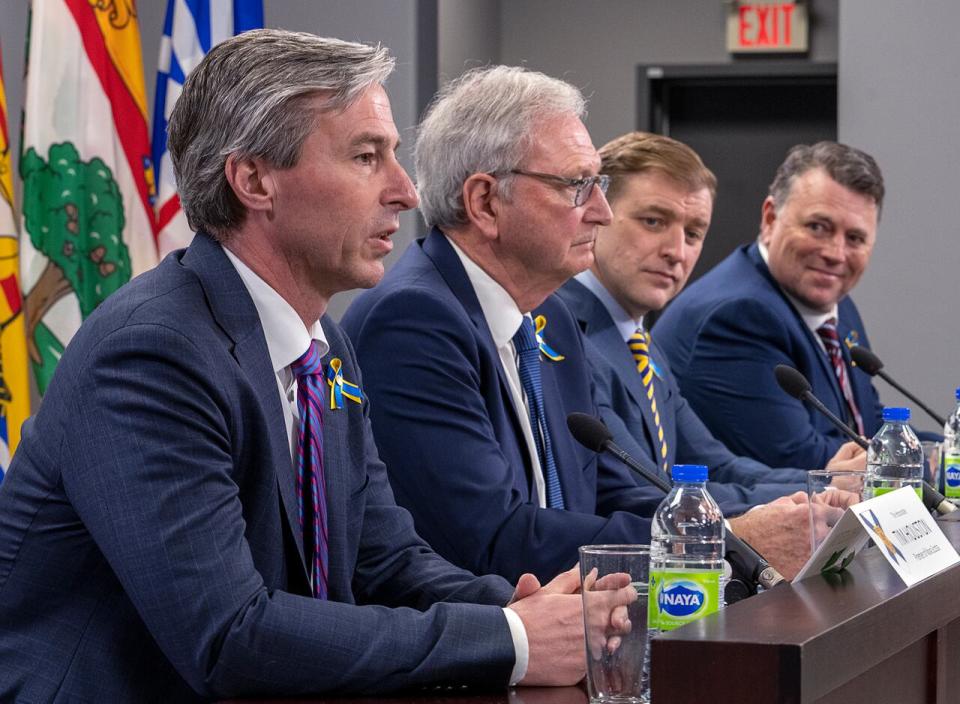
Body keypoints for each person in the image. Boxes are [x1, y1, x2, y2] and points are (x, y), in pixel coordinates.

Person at [0, 31, 624, 702]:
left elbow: (383, 557)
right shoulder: (153, 353)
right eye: (365, 156)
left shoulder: (320, 338)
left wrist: (522, 610)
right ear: (255, 180)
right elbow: (232, 638)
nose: (407, 192)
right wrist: (512, 639)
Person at [341, 66, 833, 586]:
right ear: (485, 202)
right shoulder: (414, 322)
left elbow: (617, 488)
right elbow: (490, 537)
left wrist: (724, 532)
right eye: (577, 185)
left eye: (596, 183)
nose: (600, 212)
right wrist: (718, 541)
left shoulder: (551, 317)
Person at [557, 132, 865, 520]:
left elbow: (715, 467)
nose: (676, 251)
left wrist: (827, 484)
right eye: (653, 221)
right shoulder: (560, 331)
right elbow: (646, 492)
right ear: (597, 214)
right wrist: (809, 500)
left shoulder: (639, 339)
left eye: (693, 233)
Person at [654, 141, 885, 469]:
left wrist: (946, 450)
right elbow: (808, 463)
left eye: (855, 239)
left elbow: (872, 428)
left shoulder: (837, 306)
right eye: (818, 227)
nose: (836, 253)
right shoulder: (738, 315)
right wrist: (915, 461)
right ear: (770, 218)